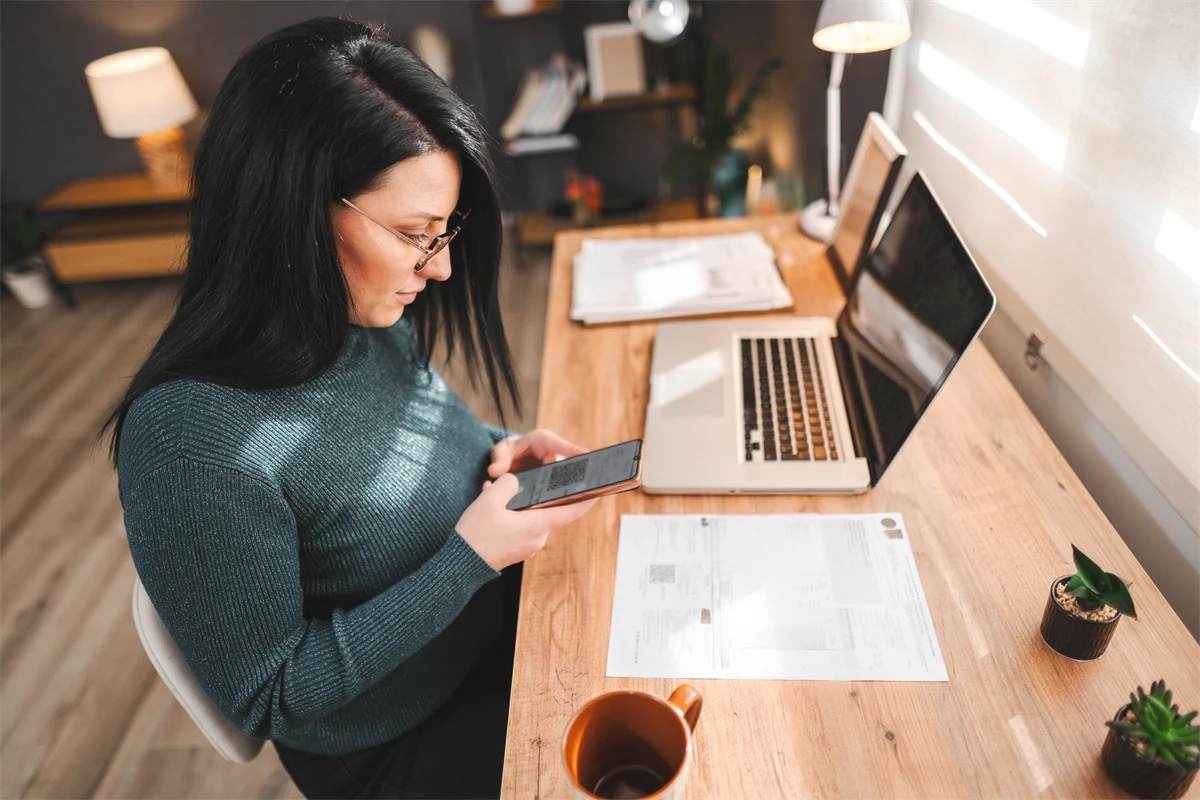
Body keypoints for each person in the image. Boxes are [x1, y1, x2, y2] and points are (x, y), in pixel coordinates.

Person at [103, 17, 596, 800]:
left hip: (499, 627)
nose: (437, 271)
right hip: (401, 744)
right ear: (292, 209)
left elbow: (407, 454)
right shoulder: (193, 444)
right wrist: (468, 559)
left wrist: (502, 449)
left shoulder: (358, 319)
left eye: (444, 232)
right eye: (413, 234)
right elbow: (269, 698)